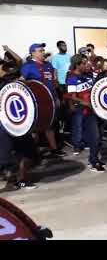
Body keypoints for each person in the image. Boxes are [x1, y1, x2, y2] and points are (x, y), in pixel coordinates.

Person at [20, 43, 65, 158]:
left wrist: (57, 98)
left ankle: (54, 149)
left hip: (51, 99)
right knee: (34, 126)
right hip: (36, 101)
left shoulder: (48, 65)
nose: (43, 52)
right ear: (33, 53)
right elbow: (21, 81)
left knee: (49, 124)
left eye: (43, 50)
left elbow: (53, 82)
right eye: (40, 50)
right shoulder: (28, 66)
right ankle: (32, 153)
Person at [0, 60, 38, 190]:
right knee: (8, 159)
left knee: (26, 152)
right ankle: (14, 180)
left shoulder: (19, 87)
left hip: (19, 125)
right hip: (5, 128)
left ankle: (21, 180)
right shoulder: (5, 87)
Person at [66, 54, 105, 171]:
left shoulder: (88, 75)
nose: (86, 64)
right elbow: (73, 97)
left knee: (99, 136)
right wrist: (87, 103)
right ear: (77, 65)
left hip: (96, 109)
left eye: (86, 62)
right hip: (86, 111)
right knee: (95, 137)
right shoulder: (72, 78)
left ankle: (95, 159)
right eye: (83, 63)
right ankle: (93, 162)